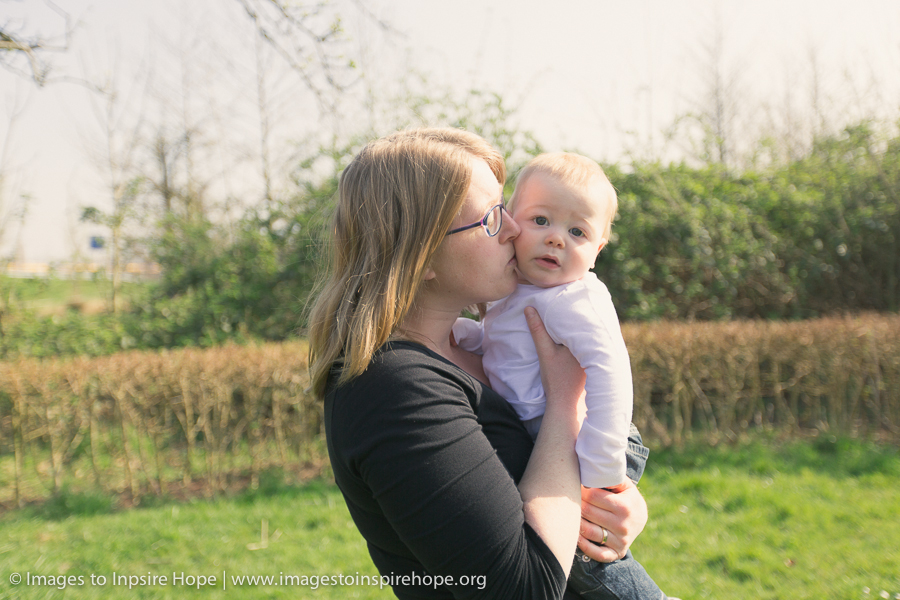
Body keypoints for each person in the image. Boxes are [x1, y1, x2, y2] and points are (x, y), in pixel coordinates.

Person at [307, 128, 650, 599]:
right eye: (491, 219)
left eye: (506, 208)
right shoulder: (390, 390)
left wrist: (613, 507)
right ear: (422, 256)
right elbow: (523, 590)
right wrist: (565, 403)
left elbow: (556, 487)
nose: (514, 229)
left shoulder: (472, 348)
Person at [452, 153, 670, 599]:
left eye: (577, 232)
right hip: (551, 434)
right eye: (541, 220)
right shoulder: (515, 290)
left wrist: (600, 460)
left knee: (585, 557)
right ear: (511, 222)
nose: (556, 240)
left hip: (591, 438)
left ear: (598, 251)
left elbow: (610, 371)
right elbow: (504, 347)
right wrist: (462, 333)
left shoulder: (575, 298)